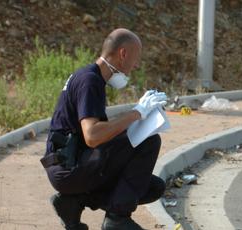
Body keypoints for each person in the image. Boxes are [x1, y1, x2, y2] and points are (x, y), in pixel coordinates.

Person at [40, 28, 168, 230]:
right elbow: (92, 136)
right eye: (136, 58)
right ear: (123, 54)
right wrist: (137, 113)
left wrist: (141, 119)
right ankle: (117, 219)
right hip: (68, 170)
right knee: (150, 141)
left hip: (70, 167)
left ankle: (73, 203)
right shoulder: (90, 81)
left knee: (152, 187)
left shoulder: (91, 78)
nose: (136, 65)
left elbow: (100, 135)